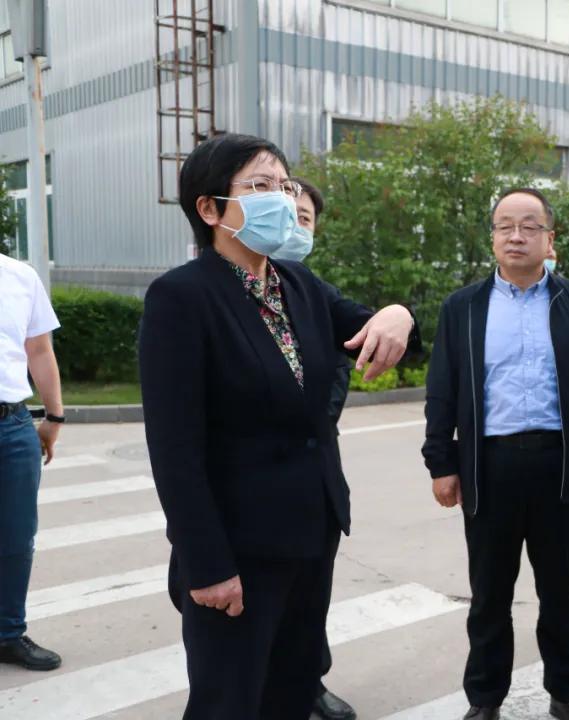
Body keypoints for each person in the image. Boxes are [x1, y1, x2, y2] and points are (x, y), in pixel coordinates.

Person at [139, 133, 420, 720]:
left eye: (285, 185)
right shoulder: (181, 298)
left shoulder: (298, 285)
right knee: (228, 702)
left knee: (291, 692)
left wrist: (399, 313)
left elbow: (379, 331)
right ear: (210, 208)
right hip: (237, 550)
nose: (283, 199)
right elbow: (174, 451)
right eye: (261, 185)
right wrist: (208, 565)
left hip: (312, 533)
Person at [423, 187, 569, 720]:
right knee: (489, 594)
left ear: (548, 239)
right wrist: (442, 463)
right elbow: (442, 390)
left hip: (561, 464)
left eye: (529, 226)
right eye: (505, 226)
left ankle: (568, 693)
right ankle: (485, 699)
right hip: (490, 466)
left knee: (560, 591)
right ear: (492, 237)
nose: (516, 236)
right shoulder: (464, 307)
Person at [269, 178, 356, 720]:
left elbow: (339, 371)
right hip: (253, 483)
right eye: (287, 214)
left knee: (310, 593)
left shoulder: (317, 293)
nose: (295, 226)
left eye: (305, 219)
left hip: (315, 469)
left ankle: (309, 681)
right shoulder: (208, 293)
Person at [0, 253, 64, 672]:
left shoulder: (19, 276)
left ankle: (8, 633)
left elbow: (39, 350)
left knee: (17, 538)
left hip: (12, 426)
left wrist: (54, 416)